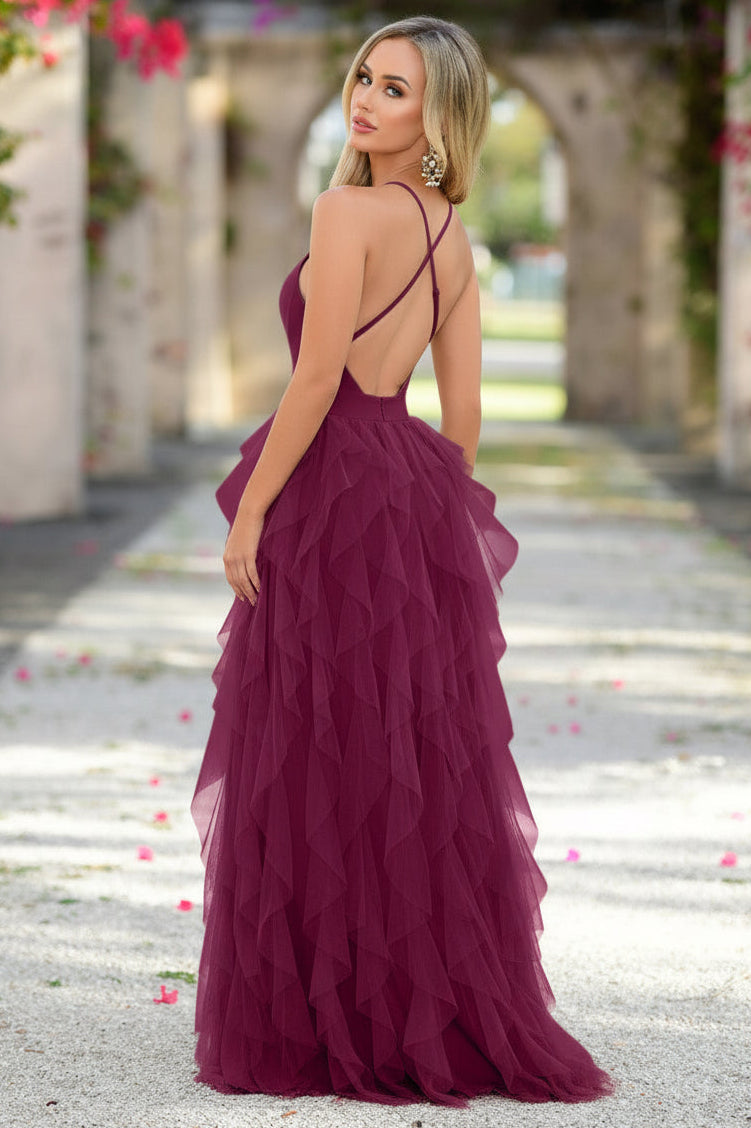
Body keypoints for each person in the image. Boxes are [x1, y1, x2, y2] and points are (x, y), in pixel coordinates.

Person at [190, 14, 618, 1109]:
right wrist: (418, 514)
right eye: (364, 79)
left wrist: (253, 518)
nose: (367, 101)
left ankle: (321, 1019)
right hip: (408, 491)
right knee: (399, 754)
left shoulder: (345, 210)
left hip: (331, 484)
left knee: (308, 738)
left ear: (438, 118)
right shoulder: (452, 238)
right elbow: (463, 420)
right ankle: (414, 1007)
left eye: (396, 90)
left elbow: (315, 379)